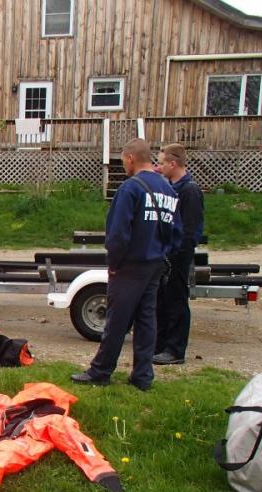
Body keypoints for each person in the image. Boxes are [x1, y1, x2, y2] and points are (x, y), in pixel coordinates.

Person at [71, 139, 182, 391]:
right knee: (146, 320)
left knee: (116, 320)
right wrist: (162, 254)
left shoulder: (130, 189)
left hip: (130, 265)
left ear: (131, 158)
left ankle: (100, 371)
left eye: (123, 161)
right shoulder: (167, 189)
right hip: (155, 264)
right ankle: (143, 375)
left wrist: (114, 264)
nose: (123, 166)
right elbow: (177, 232)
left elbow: (118, 233)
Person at [154, 143, 205, 365]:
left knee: (176, 300)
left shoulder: (189, 191)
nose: (160, 166)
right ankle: (161, 345)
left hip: (178, 256)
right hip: (165, 255)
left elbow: (190, 230)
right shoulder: (171, 188)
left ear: (173, 163)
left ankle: (175, 350)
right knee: (162, 301)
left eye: (162, 162)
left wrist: (177, 254)